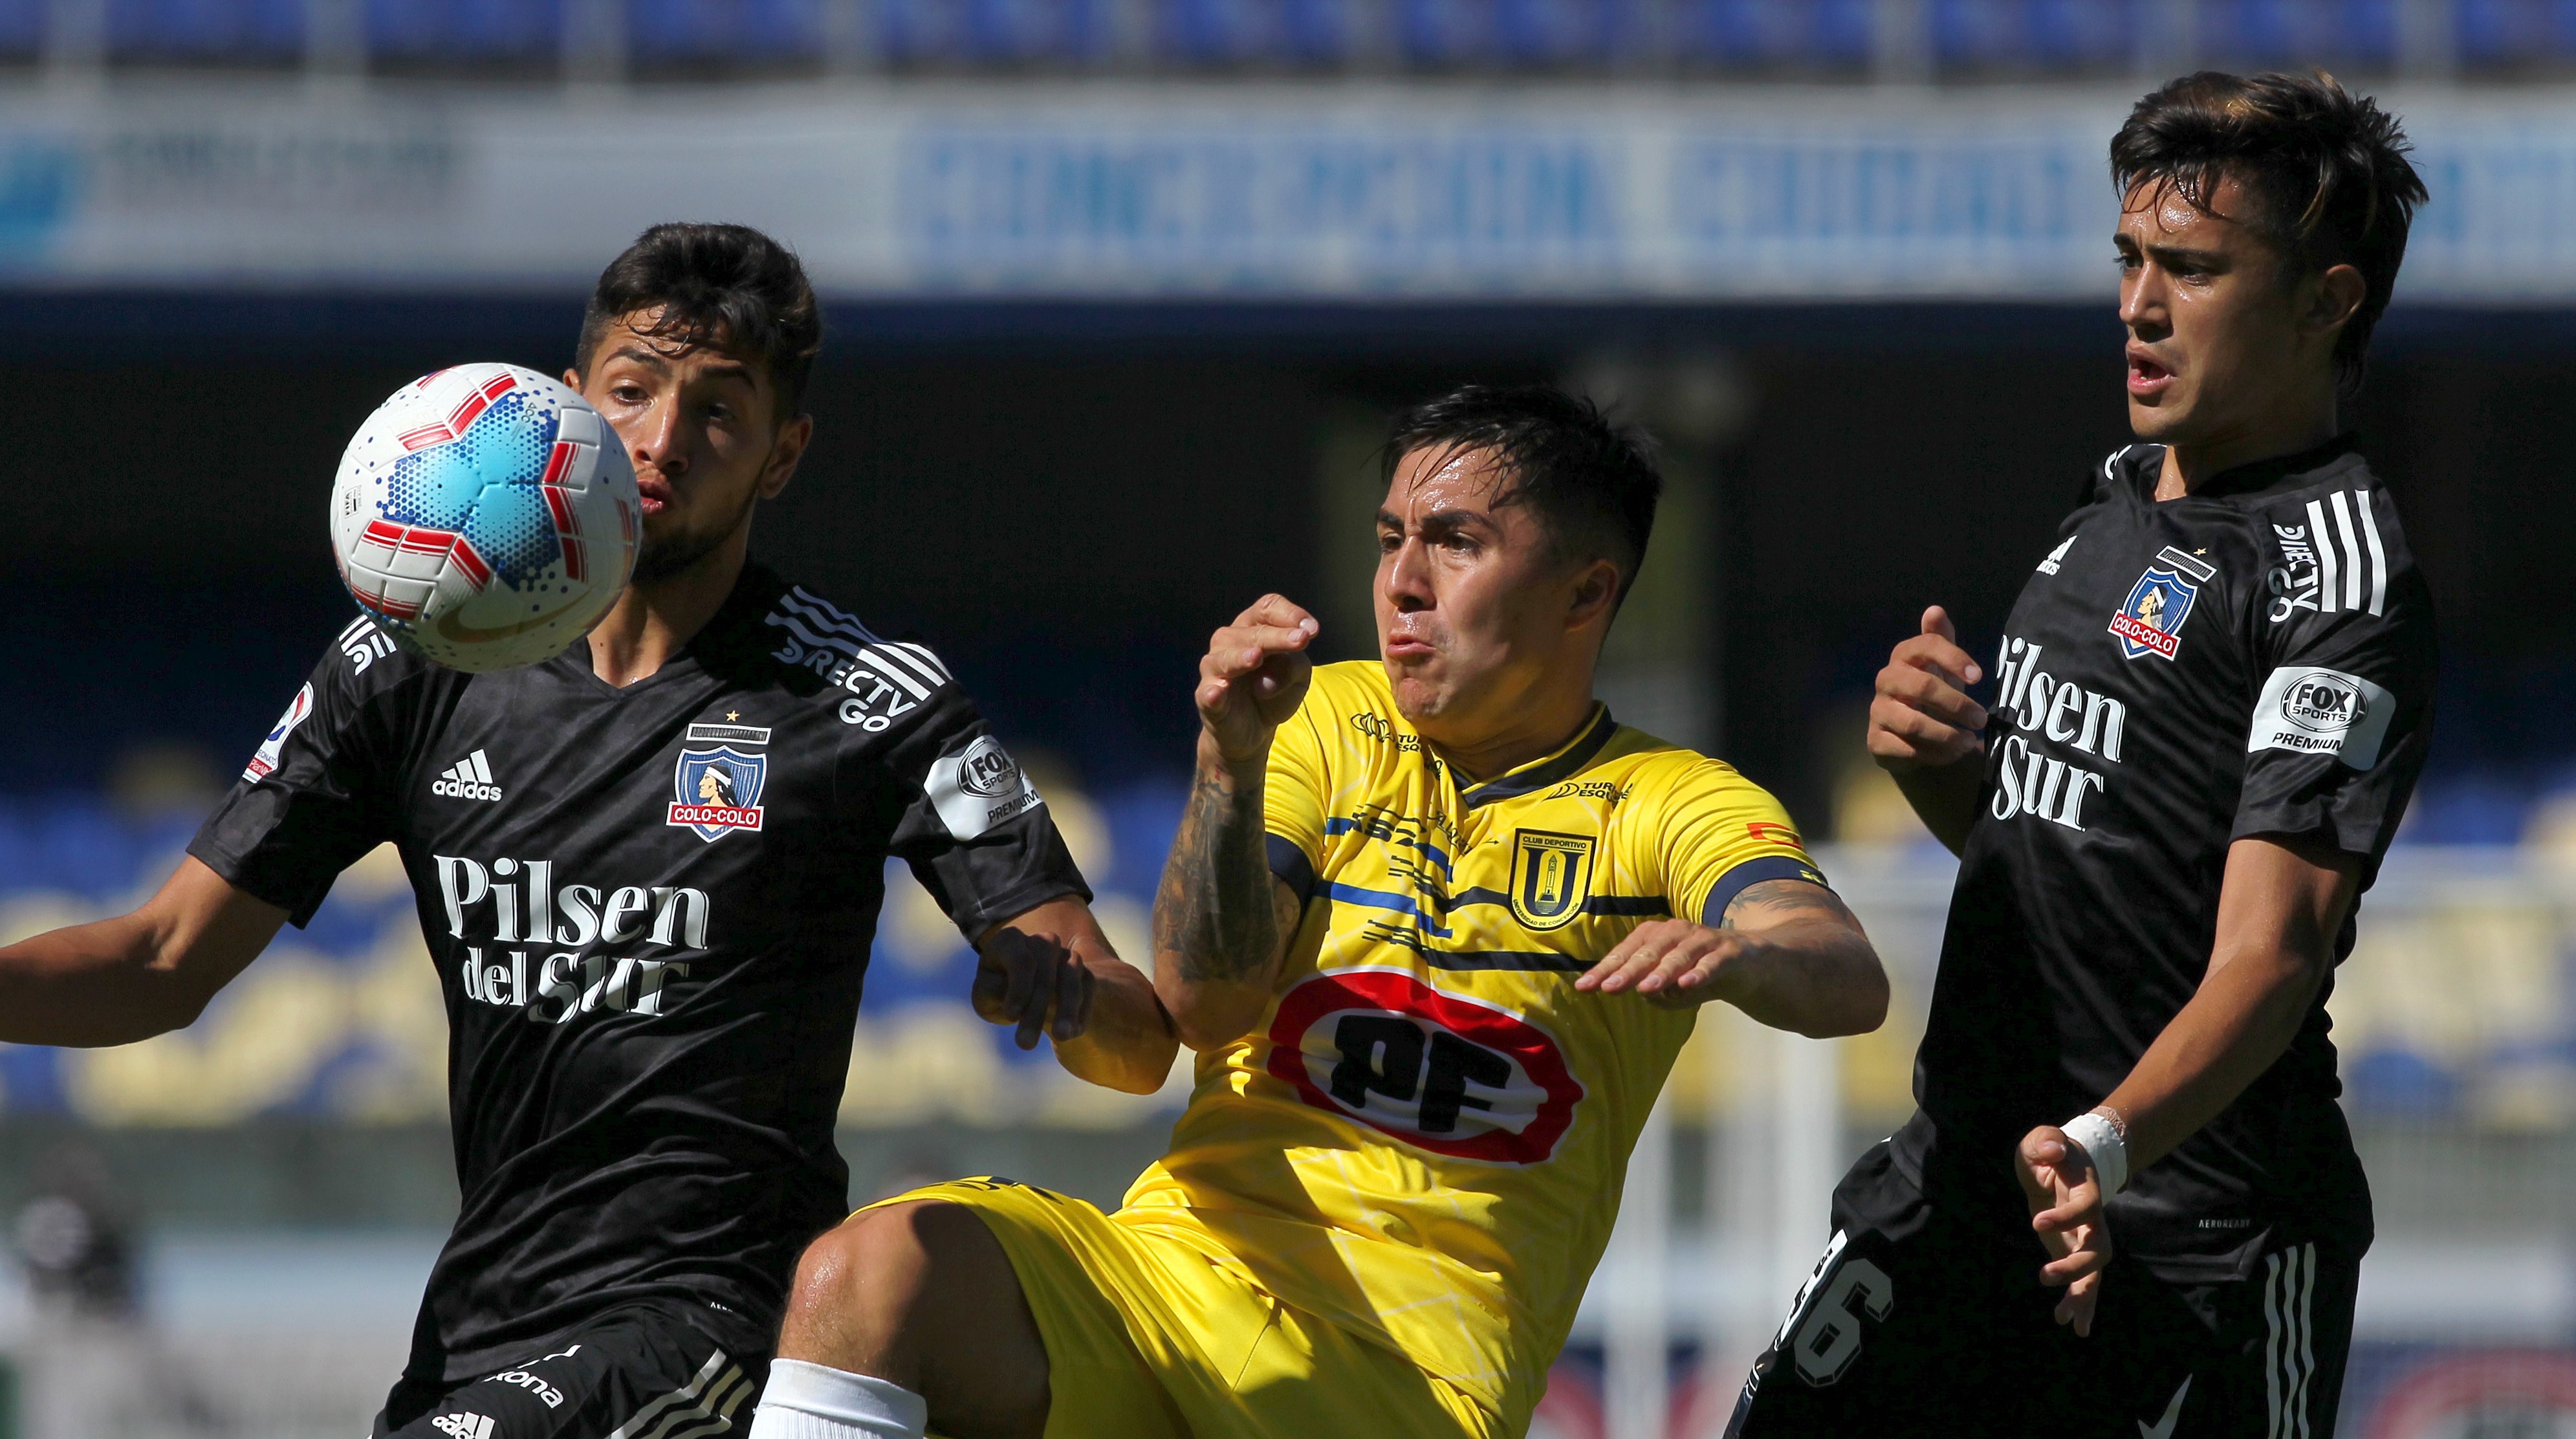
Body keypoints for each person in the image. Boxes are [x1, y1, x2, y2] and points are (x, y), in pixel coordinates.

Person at [0, 222, 1177, 1438]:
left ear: (783, 456)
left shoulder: (869, 700)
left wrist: (1073, 997)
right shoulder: (412, 663)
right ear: (567, 407)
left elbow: (1138, 1049)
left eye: (721, 412)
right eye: (632, 393)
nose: (664, 441)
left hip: (719, 1323)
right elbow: (156, 964)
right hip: (479, 1329)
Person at [745, 384, 1892, 1439]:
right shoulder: (1324, 718)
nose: (1402, 580)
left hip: (1408, 1380)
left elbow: (1840, 970)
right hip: (1178, 1277)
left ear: (1585, 590)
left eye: (1455, 542)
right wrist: (1228, 766)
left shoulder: (1672, 800)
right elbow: (1203, 1001)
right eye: (1392, 536)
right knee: (872, 1275)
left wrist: (1739, 954)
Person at [1727, 71, 2434, 1438]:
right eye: (2127, 258)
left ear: (2324, 300)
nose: (2137, 303)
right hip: (1965, 1183)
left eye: (2190, 267)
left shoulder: (2335, 576)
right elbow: (2069, 840)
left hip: (2196, 1238)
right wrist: (1939, 758)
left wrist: (2105, 1144)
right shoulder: (2110, 495)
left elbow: (2271, 953)